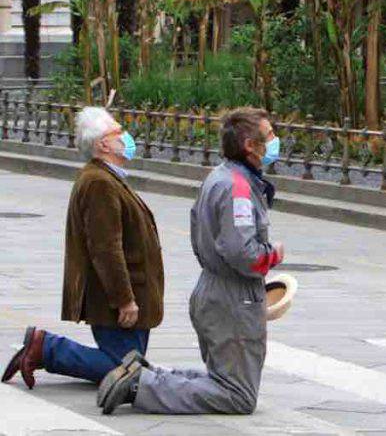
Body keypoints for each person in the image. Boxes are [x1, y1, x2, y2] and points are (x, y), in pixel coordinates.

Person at [99, 107, 284, 415]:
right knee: (236, 395)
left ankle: (148, 375)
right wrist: (274, 253)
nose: (275, 141)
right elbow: (243, 254)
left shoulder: (221, 176)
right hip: (232, 298)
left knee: (225, 381)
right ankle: (141, 385)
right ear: (250, 145)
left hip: (216, 290)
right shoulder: (237, 188)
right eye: (269, 135)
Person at [2, 107, 163, 389]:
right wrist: (124, 299)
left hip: (134, 290)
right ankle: (47, 347)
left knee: (129, 366)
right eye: (119, 132)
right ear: (103, 143)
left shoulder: (108, 177)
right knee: (123, 368)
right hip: (119, 297)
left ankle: (46, 347)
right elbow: (105, 248)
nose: (126, 136)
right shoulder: (99, 182)